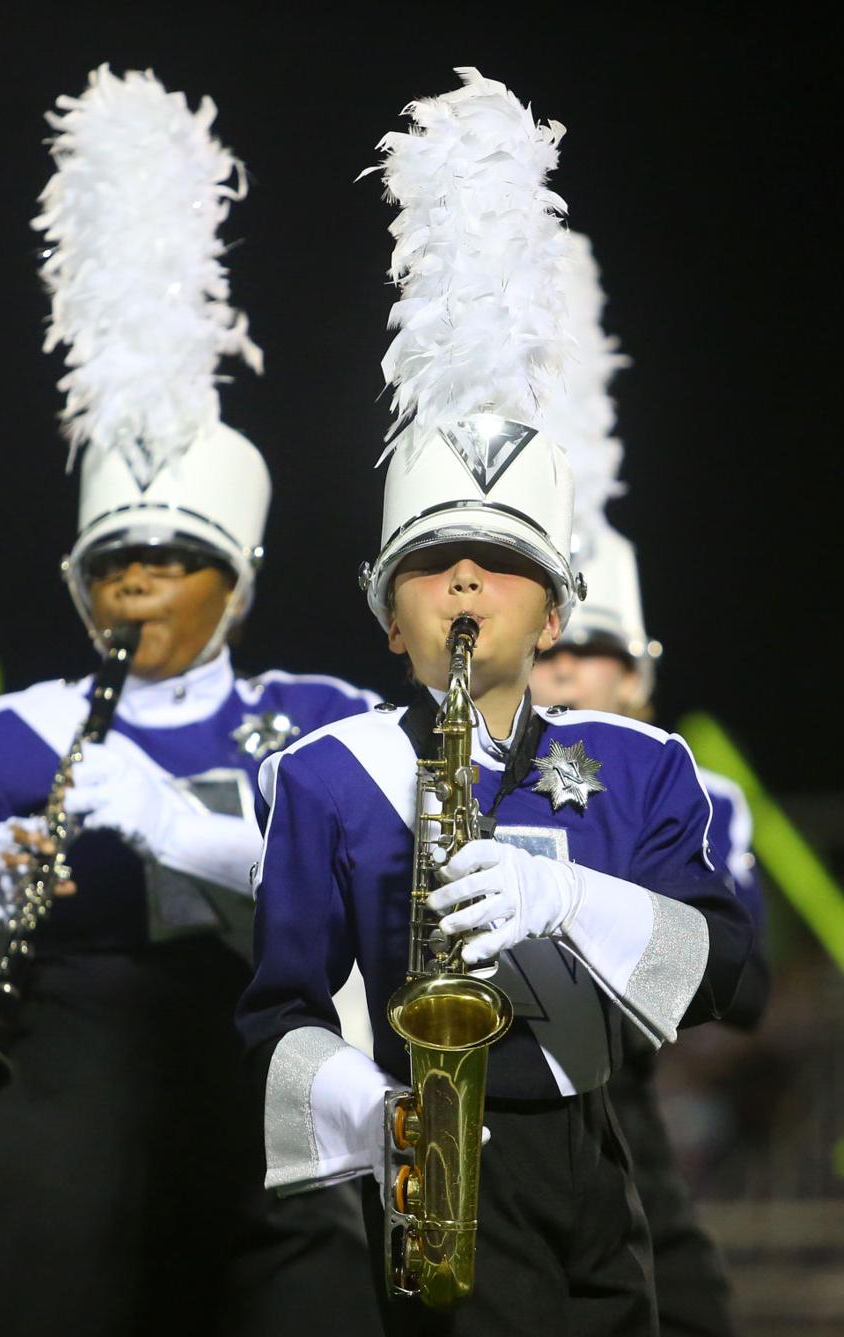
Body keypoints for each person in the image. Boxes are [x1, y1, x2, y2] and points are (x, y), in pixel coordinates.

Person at [236, 69, 755, 1335]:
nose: (465, 577)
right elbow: (275, 1012)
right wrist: (376, 1113)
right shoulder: (328, 772)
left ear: (558, 611)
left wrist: (571, 896)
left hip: (601, 1156)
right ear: (387, 610)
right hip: (431, 1162)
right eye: (429, 562)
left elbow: (734, 970)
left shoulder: (640, 767)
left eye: (503, 560)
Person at [0, 67, 382, 1337]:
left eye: (175, 558)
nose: (140, 578)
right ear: (76, 580)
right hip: (55, 1158)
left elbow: (383, 932)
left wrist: (186, 831)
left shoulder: (321, 715)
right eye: (113, 559)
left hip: (277, 1144)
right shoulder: (3, 741)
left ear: (241, 582)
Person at [527, 240, 764, 1335]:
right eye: (557, 648)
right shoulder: (452, 772)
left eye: (602, 652)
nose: (573, 670)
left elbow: (741, 979)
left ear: (643, 674)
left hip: (626, 1125)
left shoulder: (696, 792)